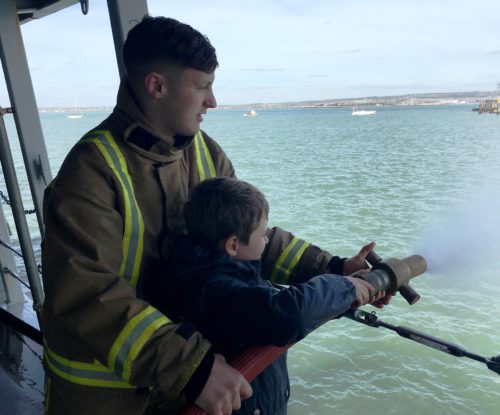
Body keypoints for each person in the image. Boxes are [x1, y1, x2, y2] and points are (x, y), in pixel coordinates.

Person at [41, 15, 383, 415]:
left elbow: (248, 236)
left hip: (185, 387)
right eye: (203, 86)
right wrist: (192, 368)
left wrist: (334, 267)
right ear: (157, 86)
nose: (213, 102)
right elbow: (88, 295)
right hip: (110, 398)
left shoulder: (206, 152)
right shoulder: (90, 172)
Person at [145, 177, 384, 415]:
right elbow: (288, 314)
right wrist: (344, 288)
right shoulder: (213, 290)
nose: (267, 239)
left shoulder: (219, 271)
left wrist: (347, 288)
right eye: (262, 234)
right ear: (233, 245)